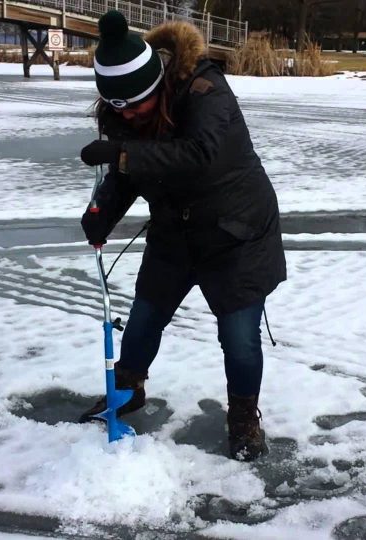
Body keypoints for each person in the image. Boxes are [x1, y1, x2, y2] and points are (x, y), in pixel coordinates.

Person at [78, 10, 286, 461]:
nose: (129, 115)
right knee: (144, 319)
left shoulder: (205, 90)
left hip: (237, 232)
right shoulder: (125, 117)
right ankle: (127, 392)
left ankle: (244, 417)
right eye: (118, 107)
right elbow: (128, 170)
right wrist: (102, 213)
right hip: (176, 229)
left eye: (136, 103)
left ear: (156, 81)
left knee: (238, 337)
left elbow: (200, 155)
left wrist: (124, 153)